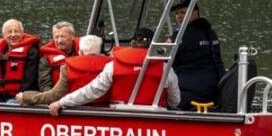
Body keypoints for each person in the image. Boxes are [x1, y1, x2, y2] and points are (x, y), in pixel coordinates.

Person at [48, 38, 179, 115]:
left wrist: (62, 102)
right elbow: (175, 101)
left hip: (119, 116)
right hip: (156, 117)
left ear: (132, 44)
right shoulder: (165, 68)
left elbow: (91, 91)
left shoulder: (113, 66)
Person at [168, 0, 225, 110]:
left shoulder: (180, 35)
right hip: (215, 91)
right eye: (177, 13)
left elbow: (166, 61)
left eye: (183, 12)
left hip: (188, 93)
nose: (179, 16)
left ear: (195, 13)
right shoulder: (211, 33)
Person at [17, 35, 105, 106]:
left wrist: (26, 96)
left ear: (80, 52)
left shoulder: (68, 68)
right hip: (106, 111)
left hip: (77, 110)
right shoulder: (110, 67)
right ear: (100, 53)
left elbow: (53, 96)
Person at [0, 19, 42, 101]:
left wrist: (20, 96)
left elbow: (30, 80)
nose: (13, 35)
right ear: (3, 35)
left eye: (16, 31)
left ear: (22, 33)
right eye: (9, 32)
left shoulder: (32, 51)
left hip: (21, 96)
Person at [37, 21, 78, 90]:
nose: (59, 41)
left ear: (72, 37)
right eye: (56, 37)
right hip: (56, 95)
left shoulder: (82, 51)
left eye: (63, 37)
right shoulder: (46, 57)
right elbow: (44, 83)